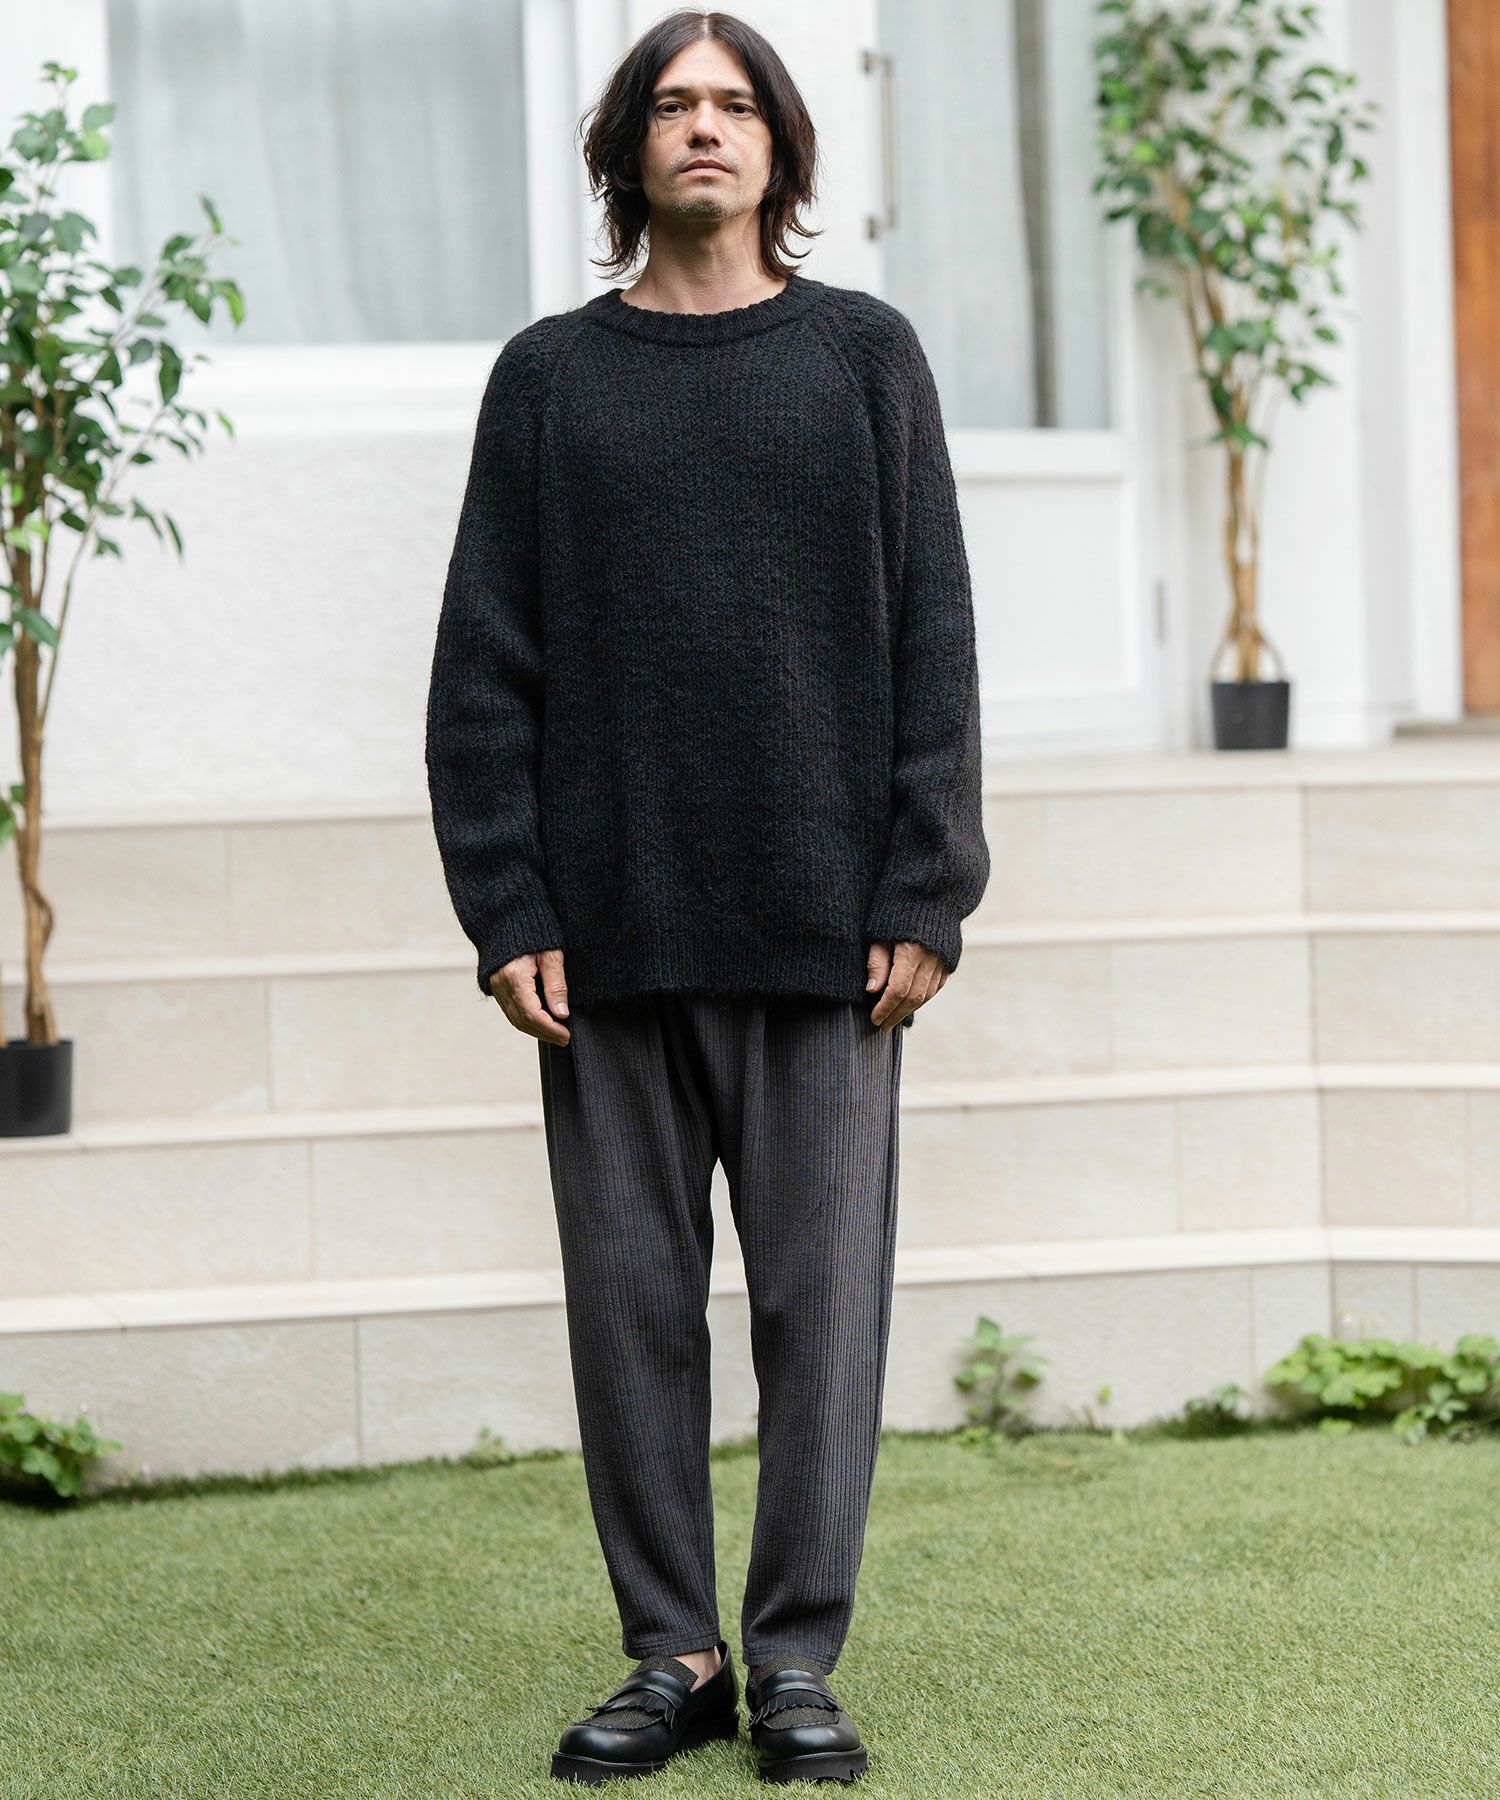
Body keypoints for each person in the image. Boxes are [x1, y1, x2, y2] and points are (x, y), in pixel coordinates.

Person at [424, 7, 989, 1785]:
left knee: (824, 1323)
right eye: (671, 105)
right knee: (631, 1317)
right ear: (627, 150)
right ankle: (671, 1653)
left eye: (736, 105)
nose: (704, 128)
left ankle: (797, 1660)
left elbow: (936, 639)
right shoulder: (548, 379)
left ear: (782, 148)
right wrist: (509, 905)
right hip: (608, 939)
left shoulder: (864, 359)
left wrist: (926, 884)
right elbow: (482, 667)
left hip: (828, 938)